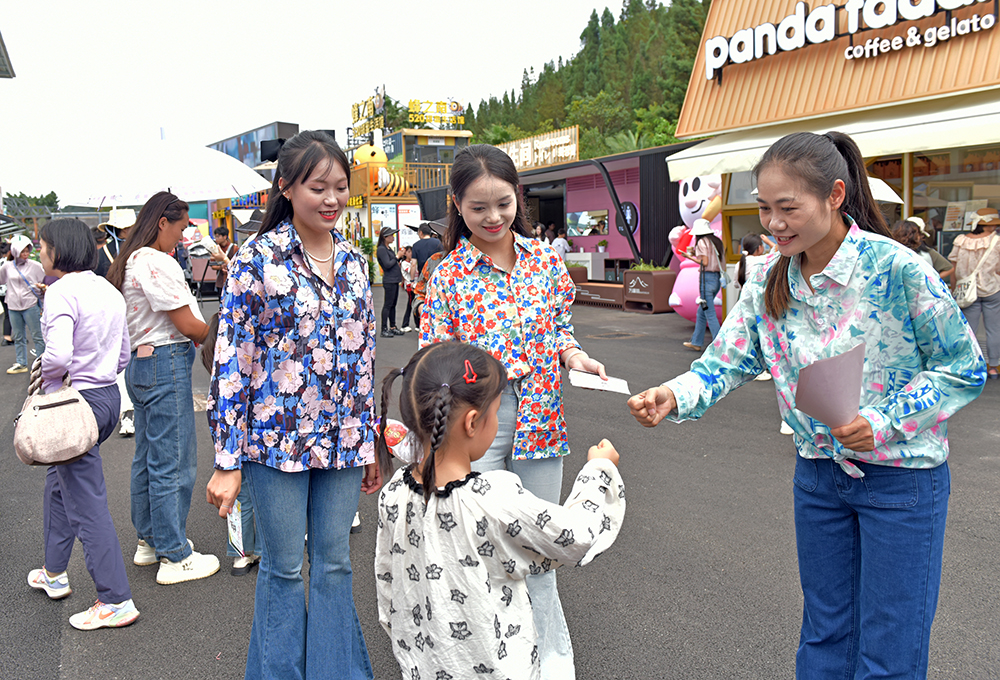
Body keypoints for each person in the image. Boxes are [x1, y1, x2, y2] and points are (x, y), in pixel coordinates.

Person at [628, 131, 986, 679]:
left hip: (901, 480)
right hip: (819, 476)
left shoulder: (898, 268)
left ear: (835, 195)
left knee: (890, 649)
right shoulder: (769, 278)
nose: (774, 223)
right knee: (824, 636)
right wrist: (674, 394)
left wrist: (884, 422)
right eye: (764, 208)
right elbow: (726, 361)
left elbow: (963, 366)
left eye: (788, 208)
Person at [421, 143, 607, 680]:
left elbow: (561, 329)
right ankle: (489, 665)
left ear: (518, 197)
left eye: (503, 204)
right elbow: (433, 358)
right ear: (457, 205)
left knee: (541, 550)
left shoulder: (545, 261)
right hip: (476, 425)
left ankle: (551, 666)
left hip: (542, 416)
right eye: (478, 207)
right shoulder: (447, 275)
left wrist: (575, 356)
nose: (493, 217)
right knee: (483, 550)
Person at [205, 130, 386, 680]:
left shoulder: (354, 262)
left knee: (334, 565)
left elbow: (364, 358)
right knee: (283, 569)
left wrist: (370, 440)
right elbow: (232, 361)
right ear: (285, 187)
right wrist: (226, 459)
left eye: (340, 187)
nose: (332, 199)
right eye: (317, 187)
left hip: (344, 439)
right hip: (275, 441)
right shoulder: (256, 261)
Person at [376, 342, 625, 679]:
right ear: (472, 422)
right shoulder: (493, 498)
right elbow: (574, 535)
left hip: (425, 667)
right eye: (495, 412)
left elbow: (389, 584)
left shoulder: (394, 493)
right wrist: (599, 471)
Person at [27, 218, 139, 630]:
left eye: (43, 247)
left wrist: (50, 384)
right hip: (106, 397)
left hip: (75, 403)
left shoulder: (60, 291)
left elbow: (57, 356)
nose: (40, 253)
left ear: (59, 250)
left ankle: (115, 599)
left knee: (86, 503)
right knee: (61, 485)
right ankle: (54, 572)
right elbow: (123, 354)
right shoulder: (108, 290)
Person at [106, 191, 219, 585]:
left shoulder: (129, 260)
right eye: (181, 227)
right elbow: (187, 325)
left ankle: (150, 540)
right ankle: (175, 555)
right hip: (165, 363)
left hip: (141, 364)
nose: (183, 236)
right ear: (162, 222)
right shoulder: (155, 261)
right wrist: (222, 329)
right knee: (174, 460)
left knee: (149, 458)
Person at [947, 207, 1000, 379]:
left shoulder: (960, 240)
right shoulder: (996, 241)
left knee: (968, 329)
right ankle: (993, 367)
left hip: (967, 291)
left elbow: (953, 268)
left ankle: (969, 365)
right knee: (994, 329)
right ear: (986, 225)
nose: (995, 227)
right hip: (992, 289)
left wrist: (955, 289)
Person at [0, 234, 46, 374]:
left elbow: (44, 280)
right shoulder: (7, 267)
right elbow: (1, 280)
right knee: (19, 336)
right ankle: (21, 363)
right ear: (15, 252)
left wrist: (41, 288)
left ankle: (41, 364)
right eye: (22, 251)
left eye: (27, 251)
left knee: (37, 336)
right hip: (13, 305)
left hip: (30, 304)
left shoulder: (35, 266)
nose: (26, 254)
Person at [679, 218, 725, 351]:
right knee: (701, 312)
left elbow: (704, 262)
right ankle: (696, 342)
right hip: (716, 278)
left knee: (709, 313)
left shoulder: (701, 242)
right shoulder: (716, 242)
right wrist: (696, 254)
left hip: (707, 279)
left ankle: (719, 344)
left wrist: (689, 257)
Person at [376, 226, 405, 338]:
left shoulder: (388, 248)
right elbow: (387, 264)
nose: (393, 237)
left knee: (393, 304)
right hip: (389, 280)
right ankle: (384, 329)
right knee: (388, 305)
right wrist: (397, 257)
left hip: (394, 279)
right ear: (385, 237)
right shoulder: (381, 249)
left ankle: (393, 327)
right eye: (391, 235)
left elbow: (392, 262)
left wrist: (400, 257)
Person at [210, 225, 238, 293]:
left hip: (232, 280)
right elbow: (213, 266)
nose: (216, 238)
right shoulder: (215, 248)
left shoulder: (234, 248)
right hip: (220, 280)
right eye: (215, 236)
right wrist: (221, 267)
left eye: (218, 236)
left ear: (225, 236)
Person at [399, 246, 416, 332]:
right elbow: (411, 271)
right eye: (409, 252)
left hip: (416, 286)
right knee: (410, 305)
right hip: (409, 286)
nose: (411, 253)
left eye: (411, 251)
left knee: (415, 304)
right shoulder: (404, 263)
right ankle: (404, 325)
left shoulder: (413, 262)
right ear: (405, 253)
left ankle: (418, 324)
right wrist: (414, 263)